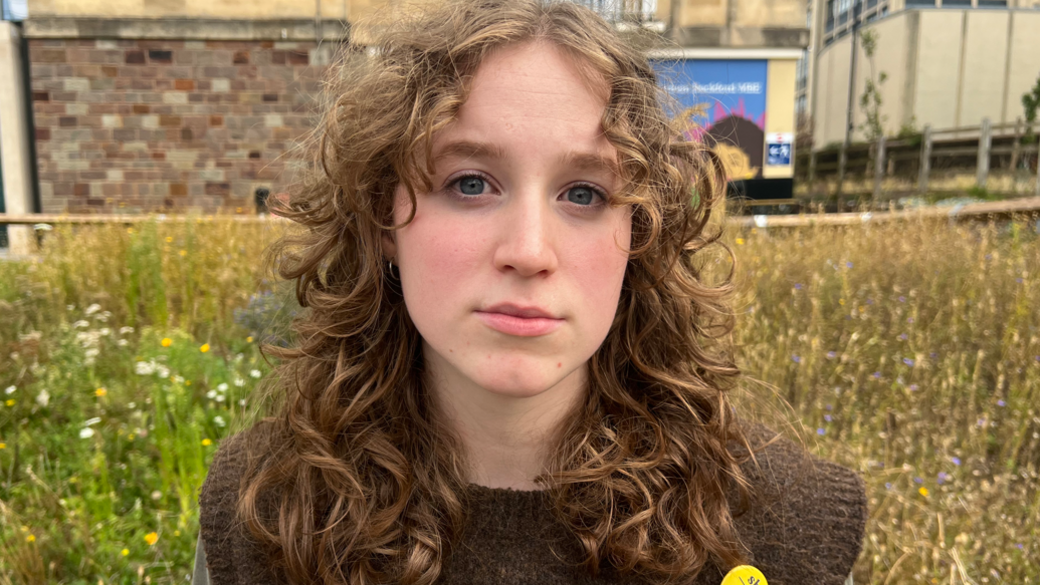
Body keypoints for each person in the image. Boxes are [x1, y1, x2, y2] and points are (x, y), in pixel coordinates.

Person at [194, 1, 867, 584]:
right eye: (469, 183)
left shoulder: (782, 526)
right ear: (381, 217)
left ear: (640, 231)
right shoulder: (263, 511)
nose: (529, 251)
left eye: (584, 193)